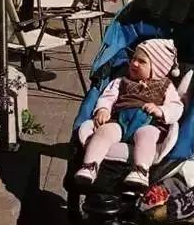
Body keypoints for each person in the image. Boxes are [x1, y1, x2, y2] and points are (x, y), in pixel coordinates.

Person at [74, 38, 184, 188]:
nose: (134, 63)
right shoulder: (121, 81)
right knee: (103, 132)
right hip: (120, 121)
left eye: (142, 61)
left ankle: (141, 170)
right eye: (133, 58)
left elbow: (176, 106)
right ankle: (89, 166)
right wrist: (103, 109)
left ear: (157, 68)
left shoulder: (166, 86)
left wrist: (161, 110)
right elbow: (107, 97)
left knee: (147, 135)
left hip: (149, 123)